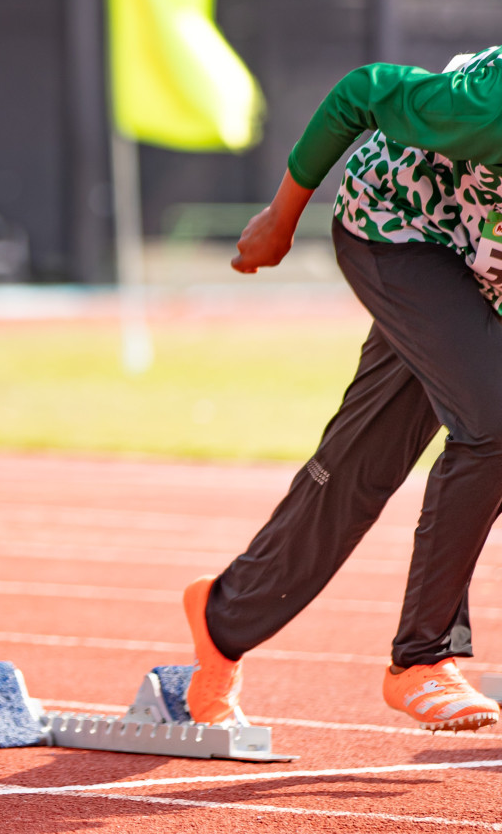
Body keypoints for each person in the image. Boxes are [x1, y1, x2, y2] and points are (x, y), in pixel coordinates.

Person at [185, 46, 502, 733]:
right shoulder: (490, 106)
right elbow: (362, 91)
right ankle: (423, 658)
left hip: (473, 256)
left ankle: (224, 617)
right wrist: (280, 219)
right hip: (398, 227)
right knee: (495, 422)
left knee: (364, 463)